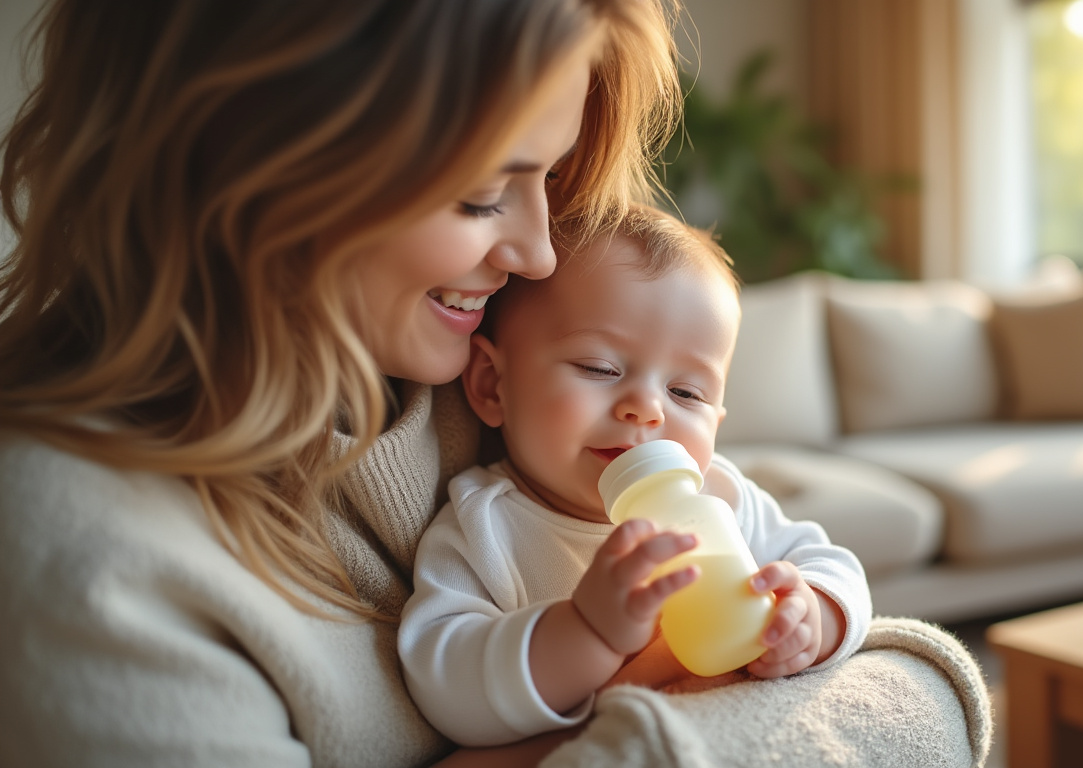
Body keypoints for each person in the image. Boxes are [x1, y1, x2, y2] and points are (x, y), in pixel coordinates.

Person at [0, 0, 685, 765]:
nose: (538, 254)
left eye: (551, 176)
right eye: (483, 193)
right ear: (254, 158)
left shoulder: (498, 382)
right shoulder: (87, 559)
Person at [398, 205, 873, 747]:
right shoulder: (486, 525)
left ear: (716, 421)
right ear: (490, 385)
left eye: (686, 393)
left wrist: (813, 615)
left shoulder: (721, 495)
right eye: (600, 368)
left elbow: (835, 566)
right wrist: (585, 631)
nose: (647, 409)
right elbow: (444, 684)